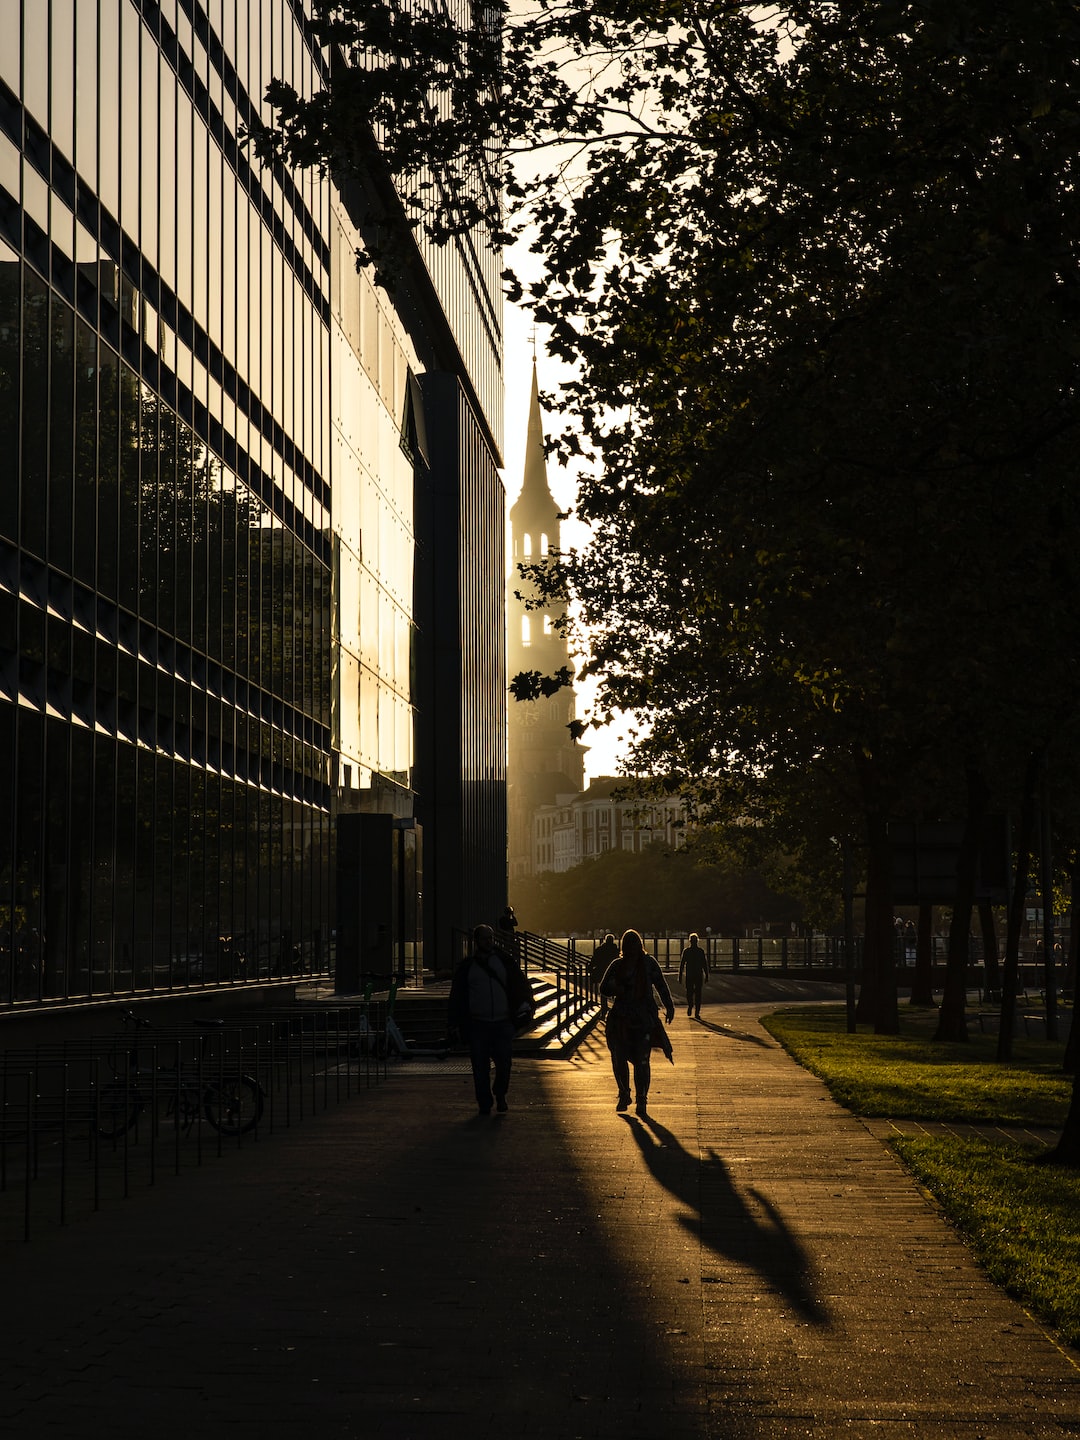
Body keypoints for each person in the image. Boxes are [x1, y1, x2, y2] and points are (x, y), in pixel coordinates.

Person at [448, 924, 531, 1115]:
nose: (489, 942)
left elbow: (520, 985)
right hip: (478, 1024)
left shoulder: (504, 962)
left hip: (502, 1023)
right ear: (476, 941)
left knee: (504, 1064)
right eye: (485, 938)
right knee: (480, 1067)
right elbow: (457, 997)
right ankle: (485, 1103)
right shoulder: (468, 967)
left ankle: (500, 1093)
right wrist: (454, 1023)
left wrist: (525, 1006)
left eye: (491, 938)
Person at [600, 928, 674, 1116]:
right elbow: (604, 988)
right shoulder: (618, 965)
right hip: (624, 1020)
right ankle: (626, 1093)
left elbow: (661, 985)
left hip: (640, 1020)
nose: (632, 949)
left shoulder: (647, 964)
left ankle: (640, 1097)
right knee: (621, 1058)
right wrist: (619, 988)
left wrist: (669, 1005)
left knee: (639, 1060)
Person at [679, 931, 710, 1019]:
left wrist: (680, 976)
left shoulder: (686, 951)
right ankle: (696, 1012)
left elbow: (682, 964)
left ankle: (690, 1005)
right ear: (697, 941)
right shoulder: (700, 951)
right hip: (698, 975)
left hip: (690, 975)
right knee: (698, 994)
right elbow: (704, 964)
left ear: (690, 941)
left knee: (689, 992)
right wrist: (706, 975)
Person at [589, 933, 619, 1014]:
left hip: (601, 972)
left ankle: (604, 1008)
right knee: (615, 990)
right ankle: (614, 1008)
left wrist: (590, 968)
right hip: (613, 973)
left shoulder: (600, 949)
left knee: (603, 990)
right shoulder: (616, 950)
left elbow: (594, 960)